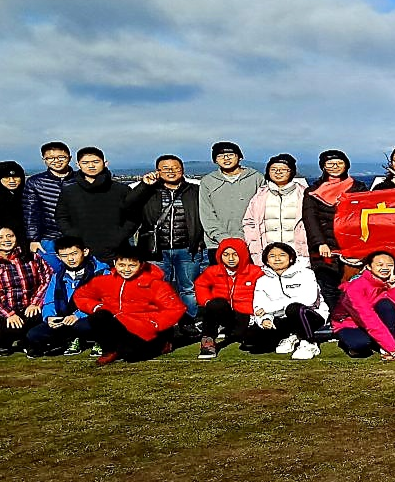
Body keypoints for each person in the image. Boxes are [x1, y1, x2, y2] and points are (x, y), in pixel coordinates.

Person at [71, 243, 185, 365]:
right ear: (115, 263)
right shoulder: (103, 281)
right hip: (117, 323)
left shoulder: (155, 284)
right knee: (95, 318)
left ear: (141, 265)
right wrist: (97, 307)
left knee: (132, 356)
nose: (126, 270)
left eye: (132, 266)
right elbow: (81, 295)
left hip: (143, 328)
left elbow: (175, 308)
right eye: (121, 265)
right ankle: (110, 350)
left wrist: (154, 323)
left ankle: (162, 343)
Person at [129, 154, 206, 319]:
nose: (171, 171)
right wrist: (144, 185)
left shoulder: (195, 191)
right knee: (157, 289)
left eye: (175, 168)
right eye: (166, 168)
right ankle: (162, 322)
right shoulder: (149, 191)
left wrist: (199, 241)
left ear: (182, 170)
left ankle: (188, 322)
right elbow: (128, 204)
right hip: (155, 251)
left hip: (188, 249)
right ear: (157, 171)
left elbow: (205, 216)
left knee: (188, 288)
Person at [303, 148, 368, 313]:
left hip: (352, 247)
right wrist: (320, 243)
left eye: (339, 163)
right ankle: (336, 318)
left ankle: (354, 318)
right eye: (330, 164)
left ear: (346, 165)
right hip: (325, 248)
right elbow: (311, 219)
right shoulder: (312, 191)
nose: (335, 166)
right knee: (329, 287)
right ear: (323, 166)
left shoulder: (359, 188)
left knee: (353, 286)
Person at [0, 224, 51, 357]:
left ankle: (29, 342)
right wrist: (9, 314)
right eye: (0, 237)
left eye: (10, 236)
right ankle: (4, 342)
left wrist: (36, 303)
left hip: (30, 306)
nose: (6, 240)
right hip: (2, 310)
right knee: (13, 326)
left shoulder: (31, 257)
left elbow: (48, 278)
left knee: (40, 320)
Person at [29, 236, 111, 357]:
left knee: (83, 326)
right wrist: (49, 317)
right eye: (64, 256)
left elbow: (104, 301)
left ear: (85, 251)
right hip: (64, 318)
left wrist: (78, 315)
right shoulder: (57, 276)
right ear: (58, 257)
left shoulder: (101, 273)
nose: (70, 259)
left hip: (89, 316)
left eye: (74, 254)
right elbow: (49, 301)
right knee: (33, 335)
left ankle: (96, 340)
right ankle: (68, 340)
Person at [55, 147, 138, 259]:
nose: (91, 166)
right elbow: (61, 217)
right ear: (78, 165)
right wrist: (74, 237)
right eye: (85, 163)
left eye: (96, 162)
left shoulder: (121, 190)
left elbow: (134, 216)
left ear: (105, 163)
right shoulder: (69, 191)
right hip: (81, 250)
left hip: (117, 250)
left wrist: (119, 237)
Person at [248, 242, 325, 358]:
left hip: (311, 315)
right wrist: (265, 319)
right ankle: (293, 336)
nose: (277, 259)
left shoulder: (306, 273)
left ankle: (309, 343)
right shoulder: (262, 281)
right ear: (267, 261)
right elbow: (259, 306)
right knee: (251, 339)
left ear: (291, 258)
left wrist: (271, 307)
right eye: (272, 256)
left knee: (293, 308)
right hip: (282, 318)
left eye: (282, 255)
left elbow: (309, 300)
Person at [193, 238, 263, 358]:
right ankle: (208, 341)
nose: (231, 258)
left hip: (246, 314)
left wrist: (259, 309)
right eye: (226, 255)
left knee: (247, 340)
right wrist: (206, 301)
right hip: (223, 311)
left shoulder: (255, 272)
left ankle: (237, 333)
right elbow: (200, 285)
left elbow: (265, 291)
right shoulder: (213, 271)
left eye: (235, 254)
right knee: (214, 305)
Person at [332, 250, 395, 359]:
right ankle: (349, 341)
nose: (385, 268)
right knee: (360, 345)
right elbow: (368, 318)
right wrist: (393, 349)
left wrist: (394, 288)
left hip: (374, 321)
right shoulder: (355, 288)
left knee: (386, 306)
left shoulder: (391, 282)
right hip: (351, 323)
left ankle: (383, 342)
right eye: (380, 265)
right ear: (369, 267)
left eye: (390, 265)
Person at [242, 154, 310, 262]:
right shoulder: (260, 196)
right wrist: (255, 251)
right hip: (268, 255)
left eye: (283, 169)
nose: (278, 172)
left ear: (292, 171)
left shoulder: (304, 194)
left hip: (300, 255)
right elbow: (249, 223)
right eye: (273, 169)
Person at [199, 142, 264, 251]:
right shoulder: (208, 181)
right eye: (220, 156)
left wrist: (243, 237)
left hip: (250, 241)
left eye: (230, 154)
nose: (226, 158)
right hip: (217, 244)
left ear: (240, 157)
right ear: (215, 160)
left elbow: (260, 211)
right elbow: (207, 214)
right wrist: (222, 238)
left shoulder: (256, 178)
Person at [22, 141, 76, 254]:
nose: (56, 161)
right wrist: (33, 239)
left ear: (70, 158)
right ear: (44, 160)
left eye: (61, 157)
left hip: (77, 236)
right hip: (48, 237)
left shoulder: (80, 179)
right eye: (50, 158)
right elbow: (31, 213)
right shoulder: (35, 182)